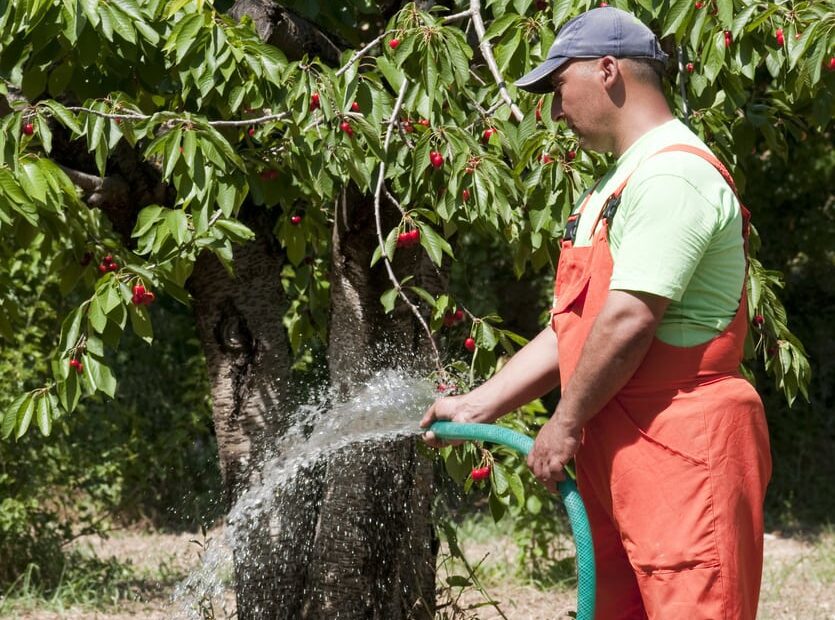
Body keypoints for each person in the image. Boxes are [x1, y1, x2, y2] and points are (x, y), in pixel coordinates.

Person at [420, 6, 771, 619]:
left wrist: (565, 421)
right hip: (625, 446)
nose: (556, 111)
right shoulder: (619, 183)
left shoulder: (673, 175)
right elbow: (576, 330)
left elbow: (630, 319)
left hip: (682, 443)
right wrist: (482, 403)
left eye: (559, 86)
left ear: (608, 70)